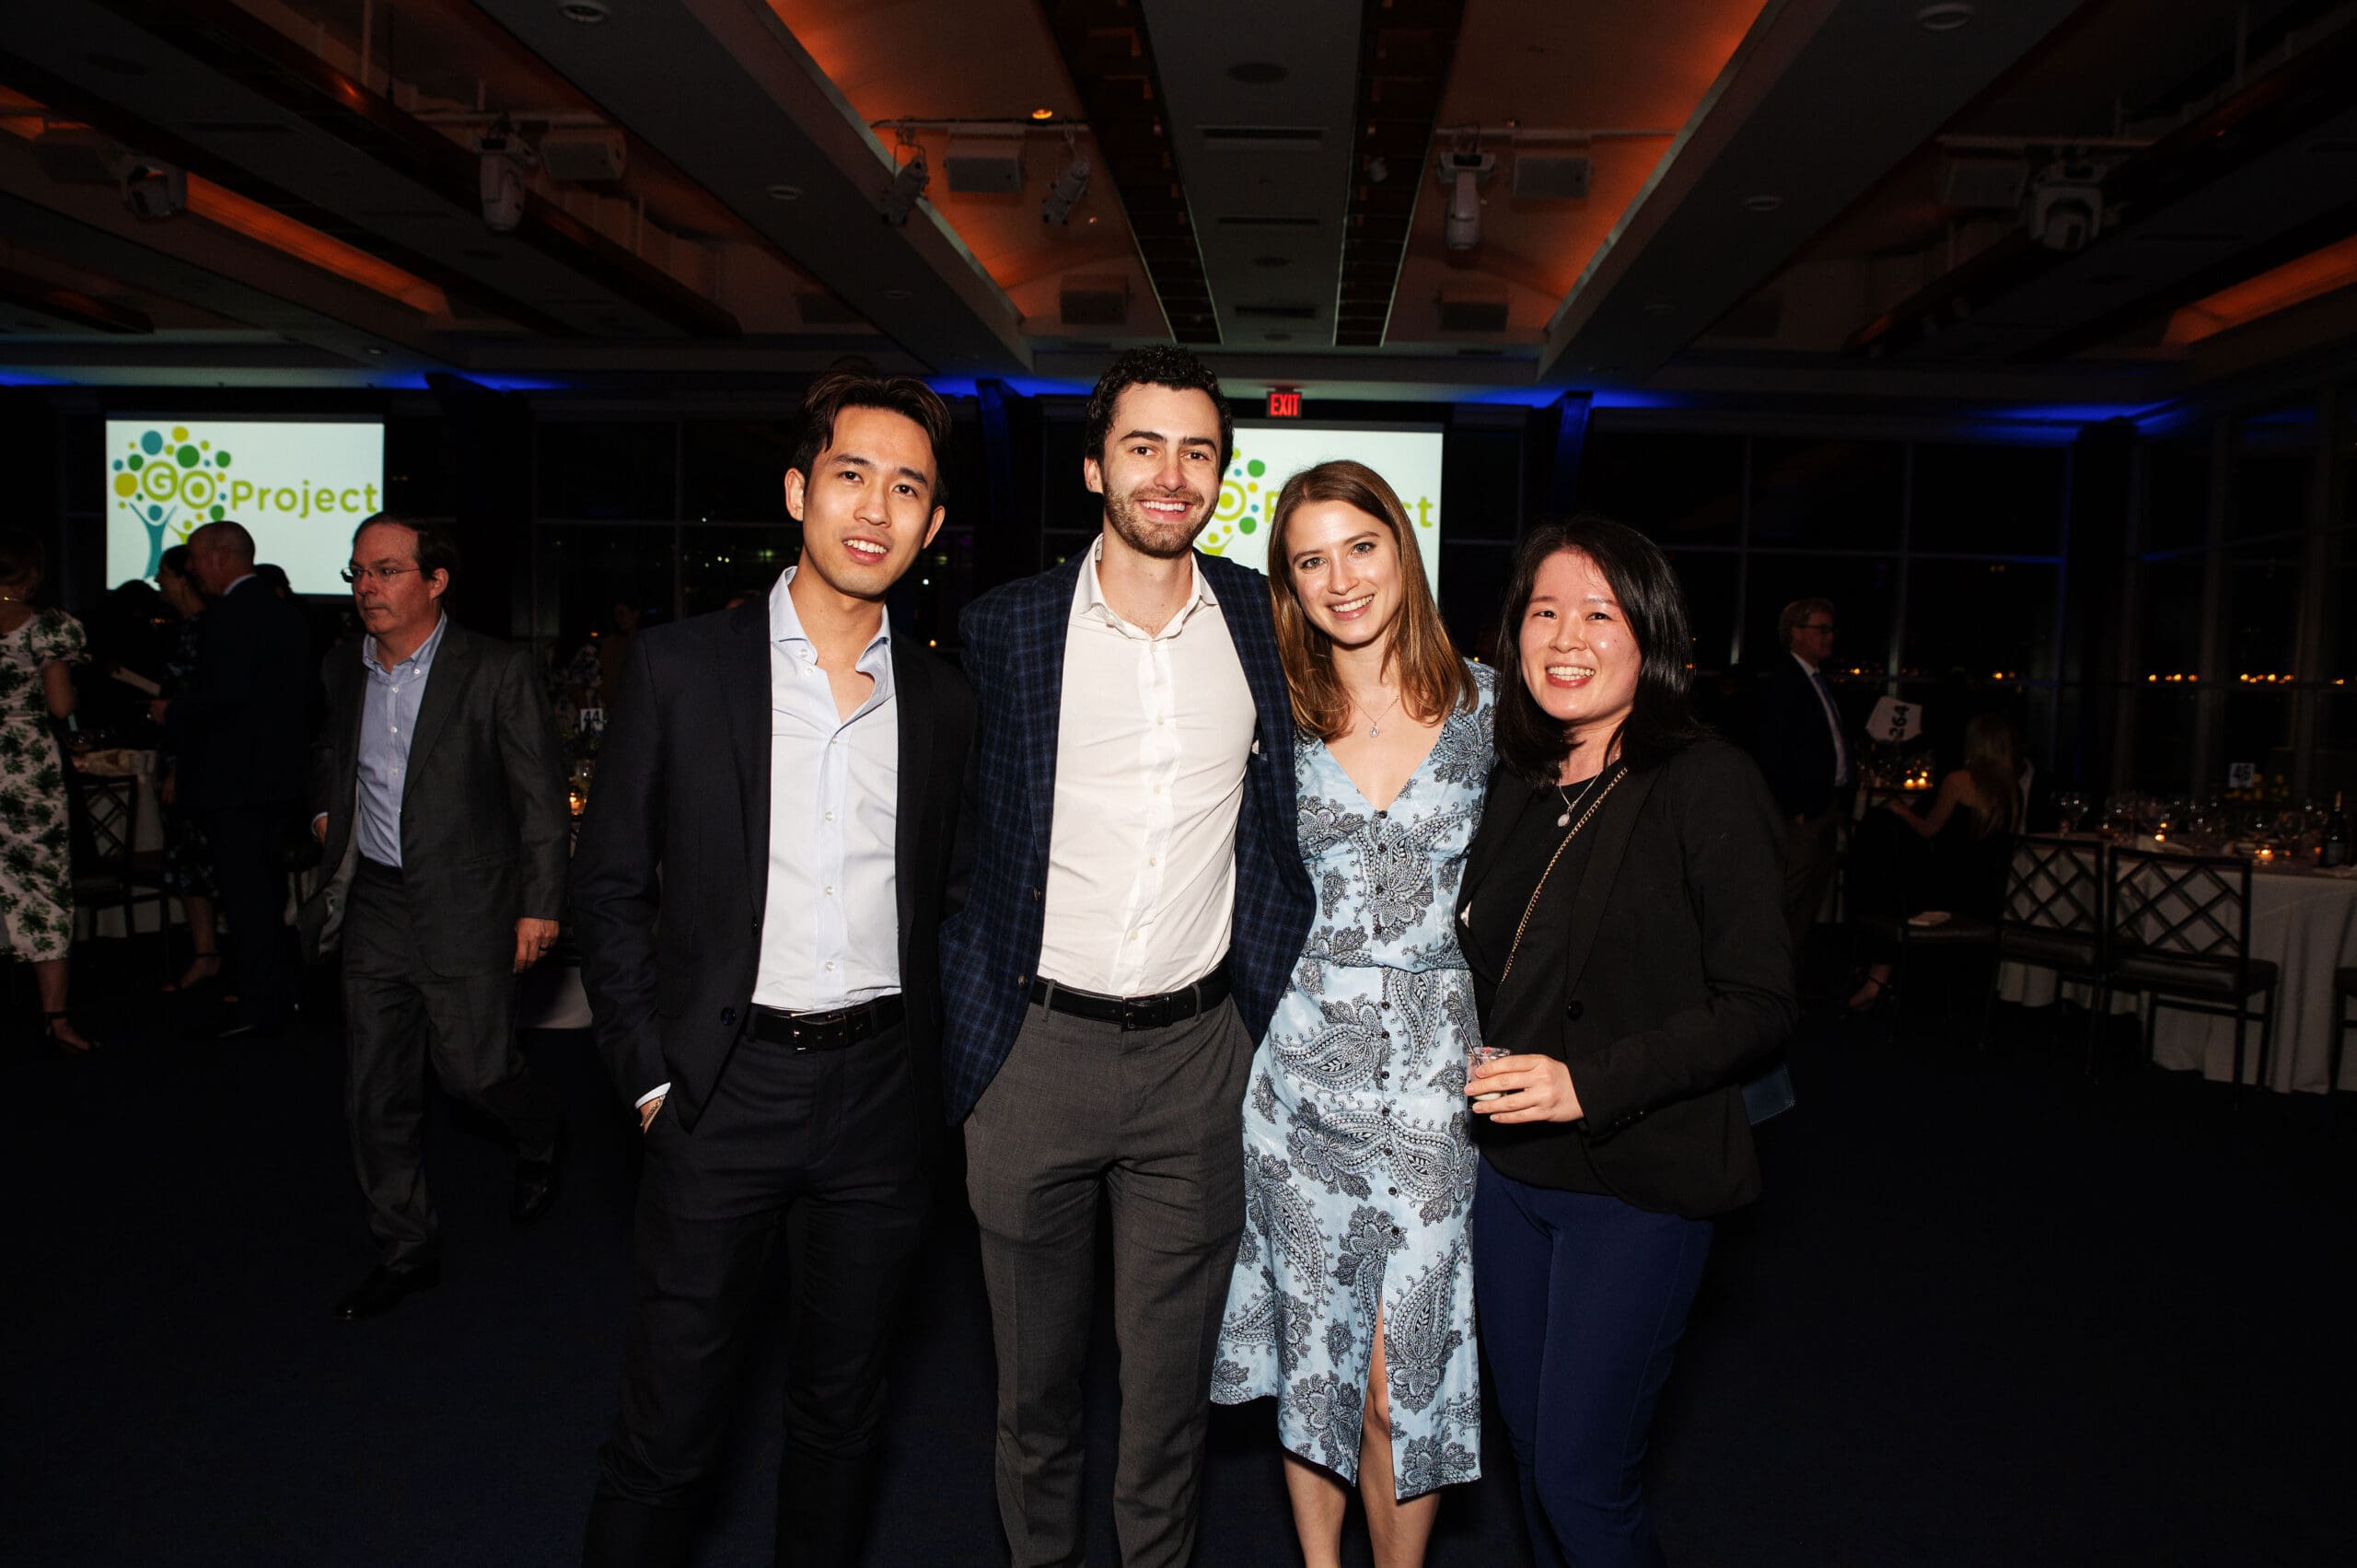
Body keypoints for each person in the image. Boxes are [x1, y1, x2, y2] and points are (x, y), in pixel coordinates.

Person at [573, 371, 974, 1568]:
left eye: (908, 488)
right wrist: (650, 1075)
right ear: (801, 490)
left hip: (878, 1103)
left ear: (933, 525)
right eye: (852, 474)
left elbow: (949, 896)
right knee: (671, 1428)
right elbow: (607, 887)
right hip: (718, 1087)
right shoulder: (684, 668)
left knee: (843, 1417)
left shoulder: (948, 703)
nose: (876, 507)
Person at [942, 345, 1316, 1568]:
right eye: (1145, 446)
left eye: (1198, 451)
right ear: (1097, 464)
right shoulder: (1005, 630)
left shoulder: (1269, 630)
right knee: (1033, 1399)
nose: (1172, 473)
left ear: (1223, 475)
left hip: (1198, 1066)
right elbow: (949, 839)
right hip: (1031, 1055)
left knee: (1167, 1412)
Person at [1457, 518, 1794, 1568]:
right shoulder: (1512, 780)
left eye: (1599, 612)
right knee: (1529, 1448)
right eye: (1545, 610)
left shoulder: (1705, 781)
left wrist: (1585, 1083)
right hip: (1507, 1178)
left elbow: (1759, 1003)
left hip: (1636, 1186)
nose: (1567, 635)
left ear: (1648, 636)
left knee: (1579, 1477)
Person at [1210, 460, 1492, 1568]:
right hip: (1297, 1079)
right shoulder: (1269, 716)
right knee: (1316, 1353)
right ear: (1287, 583)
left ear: (1400, 546)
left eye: (1358, 545)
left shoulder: (1489, 707)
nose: (1339, 578)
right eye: (1309, 560)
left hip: (1434, 1088)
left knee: (1397, 1371)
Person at [301, 515, 572, 1321]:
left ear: (435, 579)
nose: (367, 589)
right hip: (378, 901)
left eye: (385, 571)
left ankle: (539, 1132)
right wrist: (326, 812)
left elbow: (539, 796)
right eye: (358, 573)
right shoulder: (342, 668)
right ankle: (405, 1246)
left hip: (469, 901)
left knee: (476, 1072)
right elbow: (328, 757)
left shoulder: (493, 669)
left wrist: (540, 904)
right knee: (375, 1087)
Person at [152, 520, 313, 1039]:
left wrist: (172, 711)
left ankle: (260, 1006)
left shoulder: (227, 619)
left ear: (219, 556)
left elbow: (226, 696)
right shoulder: (285, 614)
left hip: (234, 783)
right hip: (277, 781)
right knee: (266, 893)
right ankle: (280, 994)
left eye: (196, 558)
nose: (192, 569)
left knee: (247, 899)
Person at [1843, 712, 2022, 1012]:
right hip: (1988, 893)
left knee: (1882, 852)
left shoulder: (1959, 780)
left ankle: (1876, 973)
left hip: (1948, 890)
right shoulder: (2012, 790)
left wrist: (1900, 810)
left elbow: (1929, 829)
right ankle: (1881, 976)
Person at [0, 528, 97, 1051]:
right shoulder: (45, 629)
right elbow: (61, 708)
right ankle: (55, 1018)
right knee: (42, 889)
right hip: (25, 768)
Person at [1747, 597, 1853, 947]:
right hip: (1802, 816)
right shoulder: (1783, 682)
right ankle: (1765, 987)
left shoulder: (1818, 681)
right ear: (1796, 633)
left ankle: (1789, 987)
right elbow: (1771, 751)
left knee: (1809, 903)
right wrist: (1795, 810)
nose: (1829, 637)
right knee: (1787, 902)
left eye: (1831, 629)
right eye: (1821, 629)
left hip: (1825, 808)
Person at [154, 545, 225, 996]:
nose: (158, 580)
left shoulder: (210, 631)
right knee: (186, 864)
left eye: (163, 573)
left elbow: (208, 710)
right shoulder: (184, 631)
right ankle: (207, 954)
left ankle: (219, 958)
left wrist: (182, 769)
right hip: (186, 762)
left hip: (203, 769)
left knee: (208, 862)